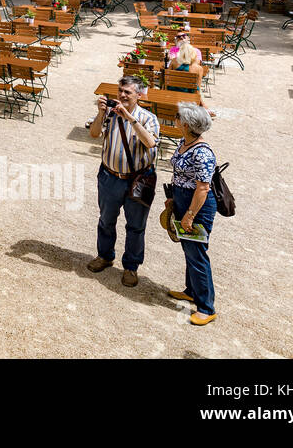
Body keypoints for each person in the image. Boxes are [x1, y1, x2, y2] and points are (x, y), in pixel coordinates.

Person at [87, 76, 161, 287]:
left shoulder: (148, 118)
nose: (122, 95)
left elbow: (150, 142)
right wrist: (101, 114)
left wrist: (130, 118)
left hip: (137, 181)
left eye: (127, 92)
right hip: (110, 177)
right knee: (106, 220)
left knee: (136, 227)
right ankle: (105, 256)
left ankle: (131, 267)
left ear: (139, 95)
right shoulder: (110, 113)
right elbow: (93, 134)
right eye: (120, 91)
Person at [164, 103, 220, 325]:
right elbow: (180, 172)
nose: (175, 118)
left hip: (197, 206)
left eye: (177, 117)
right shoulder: (185, 142)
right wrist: (173, 197)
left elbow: (203, 188)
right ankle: (191, 290)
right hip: (182, 200)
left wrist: (189, 215)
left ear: (185, 125)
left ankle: (206, 307)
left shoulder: (202, 152)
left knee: (197, 254)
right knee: (189, 250)